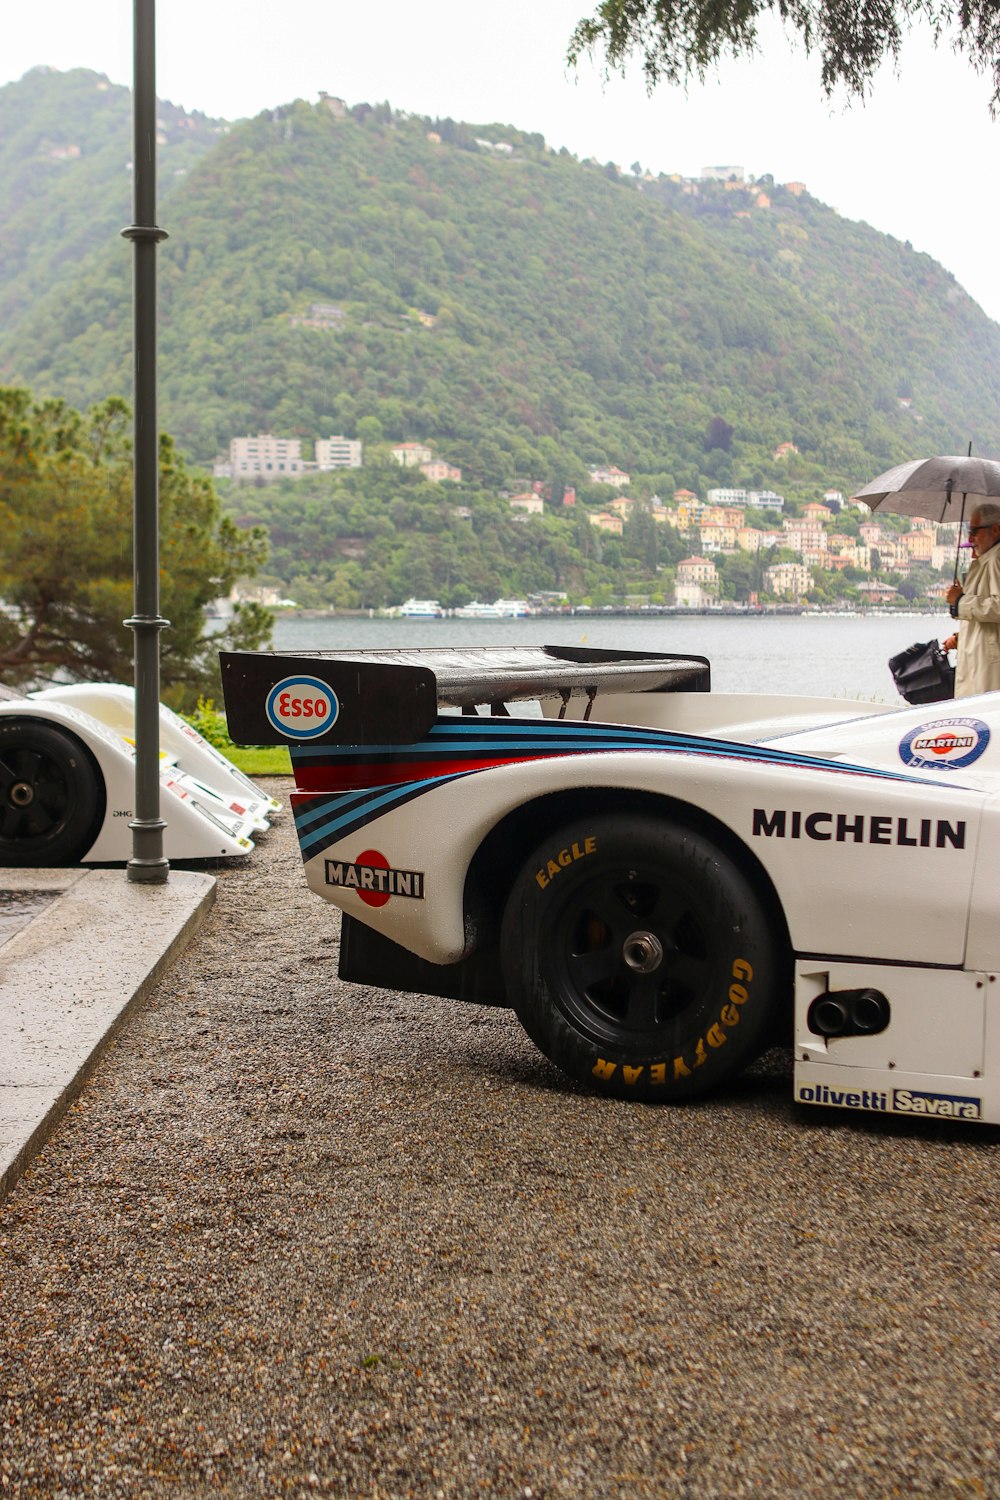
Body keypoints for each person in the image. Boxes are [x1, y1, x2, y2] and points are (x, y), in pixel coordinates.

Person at [943, 503, 1000, 695]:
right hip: (978, 660)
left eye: (975, 531)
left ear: (995, 529)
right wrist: (958, 603)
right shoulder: (986, 561)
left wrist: (960, 601)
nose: (970, 538)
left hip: (986, 665)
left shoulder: (996, 560)